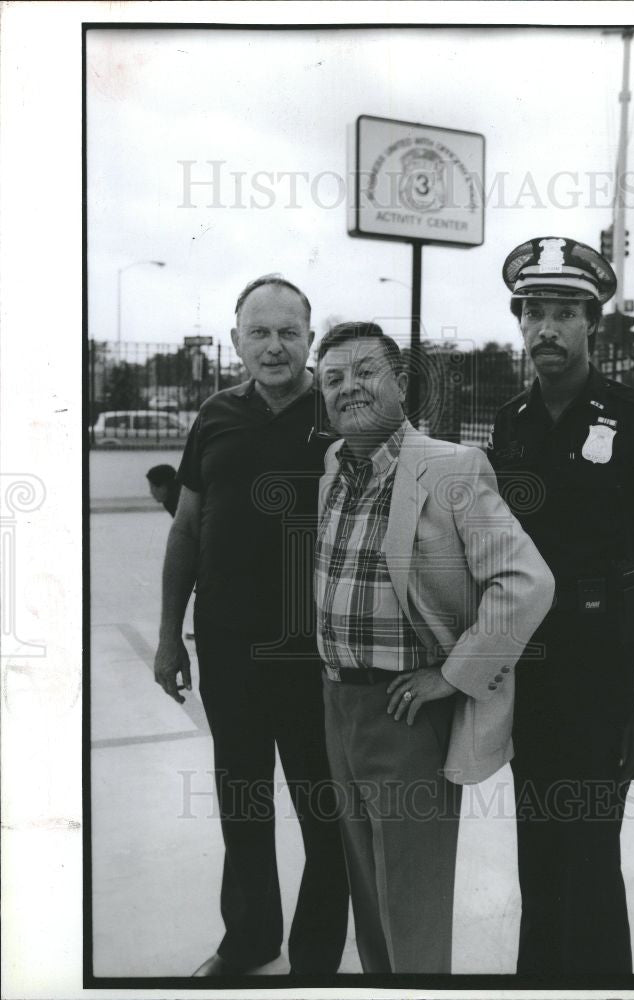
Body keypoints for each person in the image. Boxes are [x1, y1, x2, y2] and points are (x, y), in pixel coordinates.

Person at [314, 322, 555, 973]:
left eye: (365, 371)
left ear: (400, 381)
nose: (348, 388)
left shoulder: (452, 467)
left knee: (412, 907)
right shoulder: (334, 465)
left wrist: (454, 674)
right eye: (332, 379)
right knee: (367, 891)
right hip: (339, 705)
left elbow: (527, 581)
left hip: (406, 716)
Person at [487, 236, 634, 978]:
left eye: (563, 312)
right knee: (536, 847)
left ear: (591, 323)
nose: (546, 328)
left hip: (603, 665)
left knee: (591, 852)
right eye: (533, 311)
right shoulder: (510, 421)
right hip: (528, 663)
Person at [153, 274, 348, 977]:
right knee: (243, 804)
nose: (274, 346)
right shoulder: (214, 416)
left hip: (317, 654)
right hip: (230, 649)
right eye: (259, 332)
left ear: (309, 338)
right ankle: (250, 941)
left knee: (326, 816)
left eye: (288, 332)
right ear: (237, 340)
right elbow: (186, 529)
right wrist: (170, 633)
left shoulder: (339, 414)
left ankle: (317, 960)